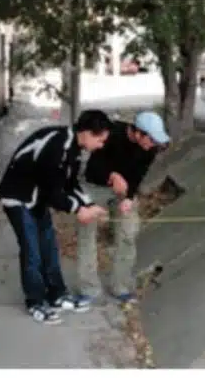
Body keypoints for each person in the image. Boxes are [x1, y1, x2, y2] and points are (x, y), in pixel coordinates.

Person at [0, 110, 112, 324]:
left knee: (49, 246)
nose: (101, 145)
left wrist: (90, 205)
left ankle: (57, 295)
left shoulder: (74, 150)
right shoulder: (56, 145)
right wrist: (78, 210)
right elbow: (53, 191)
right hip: (18, 198)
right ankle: (36, 302)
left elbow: (70, 184)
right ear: (86, 133)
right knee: (32, 251)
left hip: (37, 199)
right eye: (100, 139)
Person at [77, 110, 169, 306]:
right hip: (96, 187)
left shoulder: (150, 149)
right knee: (87, 235)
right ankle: (89, 289)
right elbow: (92, 169)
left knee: (128, 233)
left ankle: (120, 286)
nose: (152, 145)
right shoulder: (110, 133)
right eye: (151, 139)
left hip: (123, 192)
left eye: (155, 142)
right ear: (138, 133)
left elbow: (139, 174)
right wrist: (112, 176)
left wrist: (128, 197)